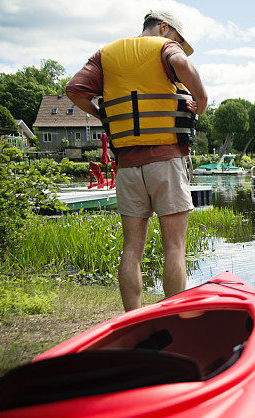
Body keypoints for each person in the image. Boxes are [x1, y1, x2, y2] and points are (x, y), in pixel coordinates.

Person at [66, 10, 208, 311]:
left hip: (128, 166)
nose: (178, 45)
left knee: (131, 249)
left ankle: (131, 318)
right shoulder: (165, 47)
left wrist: (101, 115)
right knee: (175, 247)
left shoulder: (105, 54)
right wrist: (202, 101)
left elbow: (74, 89)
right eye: (178, 39)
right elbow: (182, 63)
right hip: (166, 160)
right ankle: (172, 317)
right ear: (164, 27)